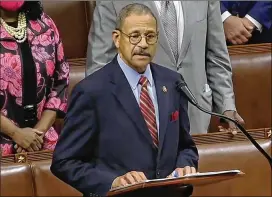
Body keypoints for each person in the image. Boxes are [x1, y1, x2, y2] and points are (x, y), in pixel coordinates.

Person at [51, 4, 198, 197]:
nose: (143, 44)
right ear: (117, 39)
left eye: (150, 36)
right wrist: (112, 182)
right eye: (135, 36)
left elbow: (186, 146)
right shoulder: (92, 92)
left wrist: (184, 166)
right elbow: (65, 162)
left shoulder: (172, 82)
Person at [86, 1, 244, 135]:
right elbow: (99, 66)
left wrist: (226, 105)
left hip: (196, 114)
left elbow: (216, 55)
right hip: (139, 119)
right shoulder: (111, 2)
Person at [0, 1, 69, 156]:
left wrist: (36, 134)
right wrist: (16, 133)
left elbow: (61, 81)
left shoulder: (45, 23)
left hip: (42, 141)